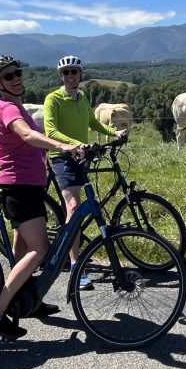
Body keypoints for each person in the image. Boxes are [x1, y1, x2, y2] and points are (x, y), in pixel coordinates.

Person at [0, 55, 81, 340]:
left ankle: (27, 300)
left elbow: (35, 136)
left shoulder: (16, 106)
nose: (17, 78)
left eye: (18, 73)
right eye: (9, 76)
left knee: (23, 246)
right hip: (20, 187)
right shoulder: (7, 110)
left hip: (29, 186)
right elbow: (26, 135)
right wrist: (63, 145)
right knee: (40, 250)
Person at [43, 55, 126, 289]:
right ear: (61, 76)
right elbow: (51, 131)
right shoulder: (54, 99)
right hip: (62, 158)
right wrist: (75, 144)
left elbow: (93, 123)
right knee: (74, 209)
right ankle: (75, 266)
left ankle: (73, 242)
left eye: (74, 72)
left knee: (81, 207)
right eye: (66, 73)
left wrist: (114, 133)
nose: (70, 76)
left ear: (80, 75)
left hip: (81, 156)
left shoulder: (82, 97)